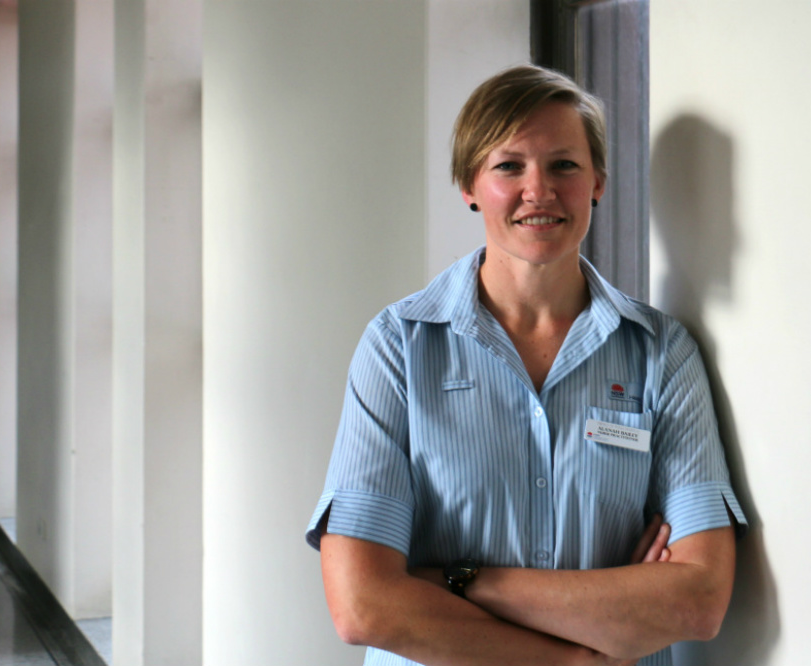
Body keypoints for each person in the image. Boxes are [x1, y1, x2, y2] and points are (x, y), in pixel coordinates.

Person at [305, 64, 747, 666]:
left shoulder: (661, 354)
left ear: (598, 181)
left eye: (564, 164)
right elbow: (362, 606)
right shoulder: (398, 348)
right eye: (508, 166)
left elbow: (697, 601)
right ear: (468, 185)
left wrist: (460, 579)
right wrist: (576, 656)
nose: (538, 190)